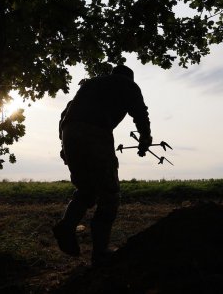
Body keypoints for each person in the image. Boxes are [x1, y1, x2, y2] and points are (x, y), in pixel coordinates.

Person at [53, 64, 152, 266]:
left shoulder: (90, 85)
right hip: (95, 132)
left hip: (70, 133)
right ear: (129, 78)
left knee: (87, 190)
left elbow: (65, 113)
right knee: (109, 193)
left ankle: (66, 226)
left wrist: (64, 146)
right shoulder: (127, 84)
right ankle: (100, 253)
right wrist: (145, 137)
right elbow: (140, 112)